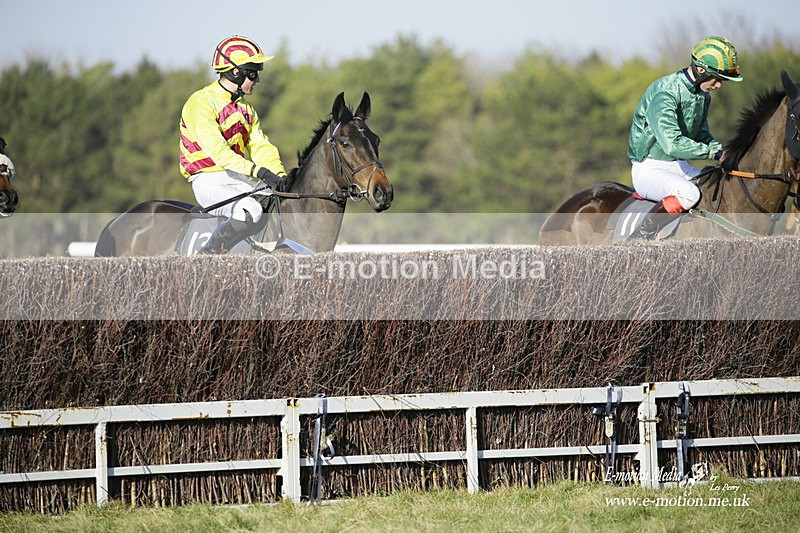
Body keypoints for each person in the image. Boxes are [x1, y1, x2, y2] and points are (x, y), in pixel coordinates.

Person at [179, 35, 290, 253]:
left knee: (278, 204)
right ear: (236, 72)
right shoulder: (200, 102)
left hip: (237, 178)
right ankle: (208, 256)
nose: (257, 80)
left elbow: (261, 147)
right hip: (208, 180)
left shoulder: (246, 110)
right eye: (254, 73)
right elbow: (219, 152)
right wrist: (258, 171)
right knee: (249, 210)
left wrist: (280, 176)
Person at [627, 36, 743, 240]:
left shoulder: (702, 95)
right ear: (700, 70)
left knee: (713, 187)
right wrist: (712, 153)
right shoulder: (665, 93)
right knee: (690, 194)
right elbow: (672, 144)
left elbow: (702, 134)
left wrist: (723, 153)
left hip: (677, 166)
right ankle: (640, 238)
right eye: (716, 79)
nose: (718, 85)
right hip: (648, 168)